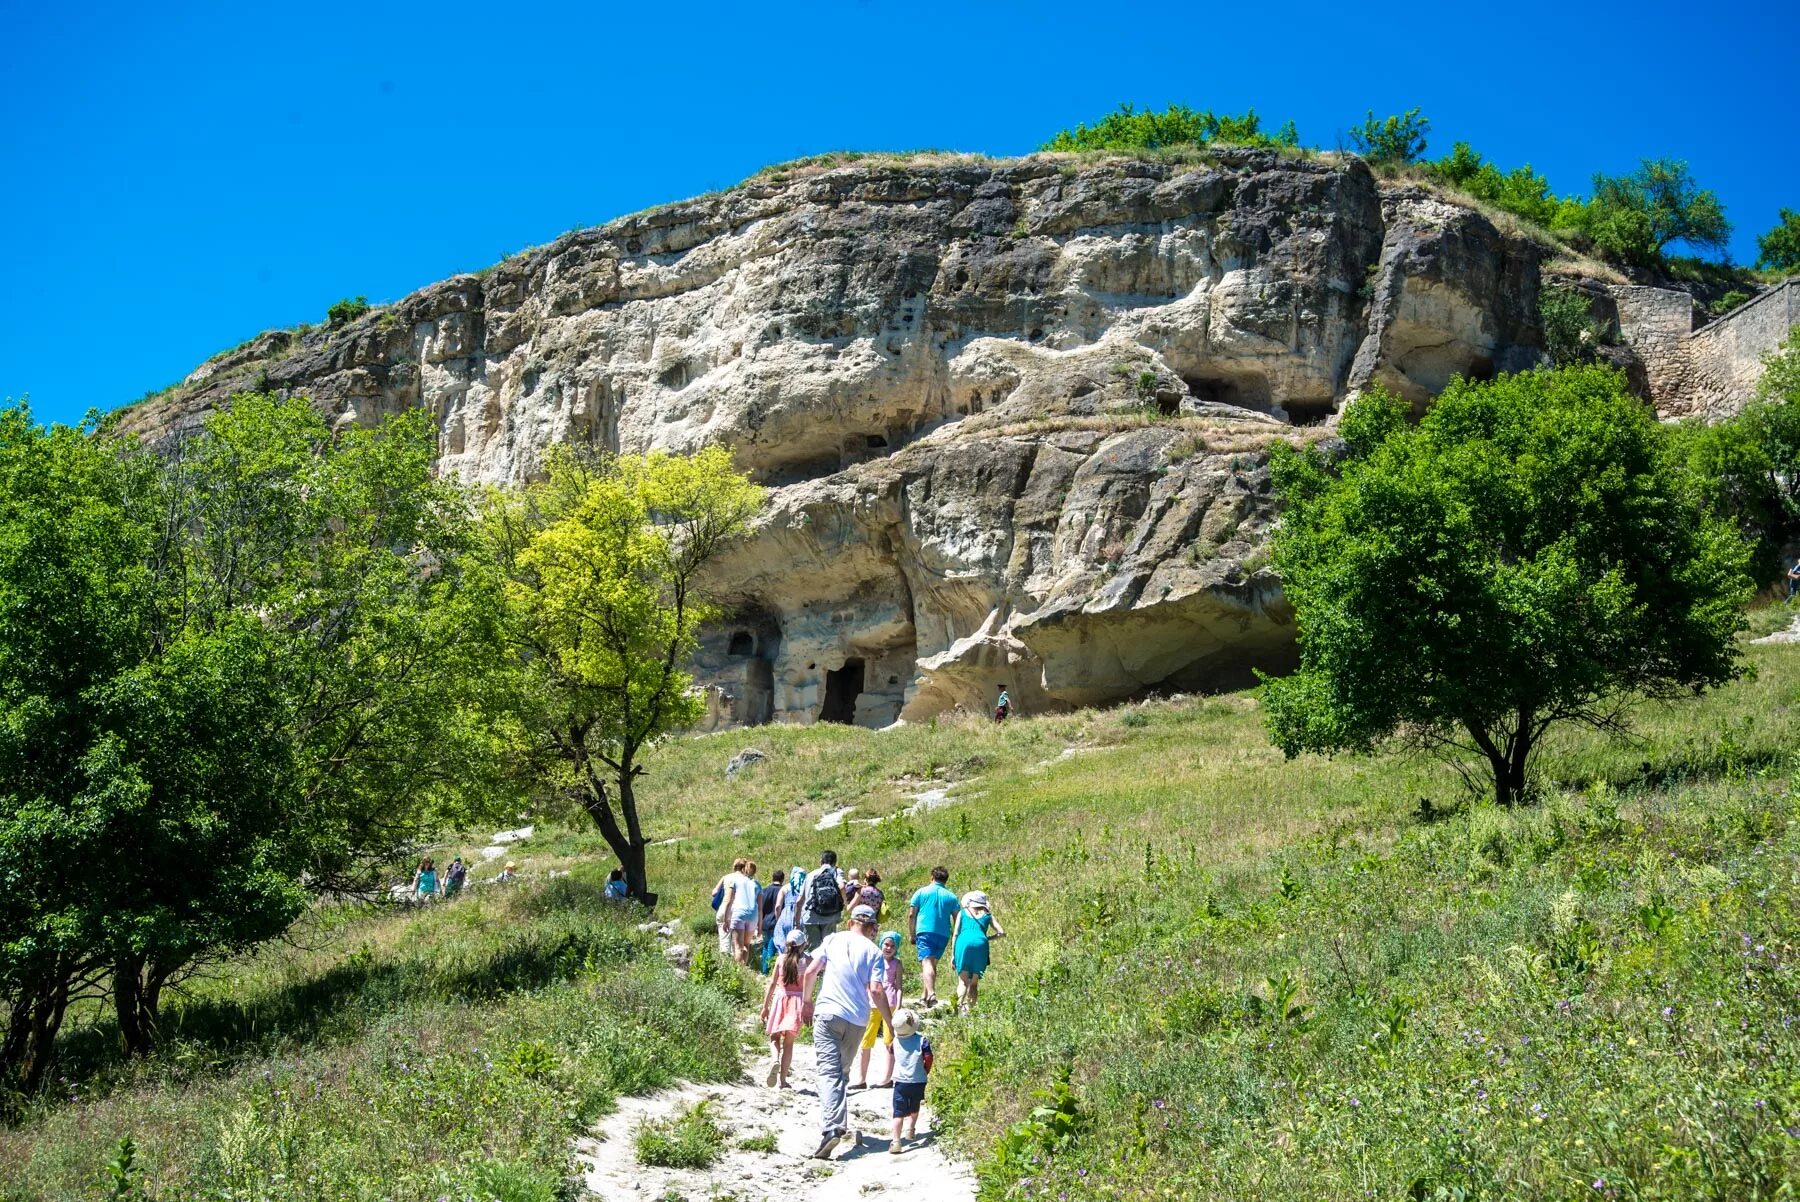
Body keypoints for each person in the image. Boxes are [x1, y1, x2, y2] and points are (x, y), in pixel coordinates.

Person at [802, 903, 893, 1159]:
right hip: (857, 1019)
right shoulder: (874, 951)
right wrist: (889, 1022)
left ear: (850, 921)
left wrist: (806, 1002)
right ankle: (836, 1124)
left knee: (829, 1072)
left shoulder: (832, 939)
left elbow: (810, 971)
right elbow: (876, 990)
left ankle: (832, 1128)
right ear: (872, 927)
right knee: (841, 1072)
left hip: (829, 1012)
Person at [853, 931, 904, 1089]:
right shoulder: (874, 960)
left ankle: (887, 1078)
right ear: (881, 944)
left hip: (891, 1004)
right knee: (866, 1040)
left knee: (890, 1041)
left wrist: (899, 1005)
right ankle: (861, 1078)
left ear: (897, 948)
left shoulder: (897, 964)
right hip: (872, 1004)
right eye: (886, 944)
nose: (889, 948)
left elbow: (899, 987)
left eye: (892, 946)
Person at [760, 929, 809, 1089]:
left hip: (781, 999)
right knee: (789, 1043)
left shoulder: (781, 959)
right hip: (796, 1002)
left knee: (774, 1037)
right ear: (803, 945)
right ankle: (783, 1080)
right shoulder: (806, 961)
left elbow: (772, 983)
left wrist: (765, 1006)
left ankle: (774, 1060)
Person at [907, 866, 959, 1008]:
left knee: (926, 962)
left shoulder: (921, 892)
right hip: (943, 934)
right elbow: (957, 918)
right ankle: (924, 998)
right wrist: (956, 935)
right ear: (945, 880)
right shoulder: (952, 897)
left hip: (925, 931)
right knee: (932, 963)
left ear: (932, 877)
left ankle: (931, 993)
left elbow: (912, 914)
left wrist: (912, 934)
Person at [888, 1008, 933, 1154]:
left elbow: (891, 1054)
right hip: (918, 1079)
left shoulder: (894, 1042)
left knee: (898, 1112)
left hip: (900, 1081)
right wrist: (926, 1069)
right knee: (914, 1106)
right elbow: (928, 1057)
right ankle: (910, 1129)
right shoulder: (922, 1040)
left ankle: (896, 1141)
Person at [951, 889, 1004, 1012]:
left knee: (963, 982)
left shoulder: (963, 913)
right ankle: (970, 1011)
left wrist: (953, 955)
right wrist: (986, 938)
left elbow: (955, 934)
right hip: (981, 945)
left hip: (963, 943)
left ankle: (957, 1010)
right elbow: (1001, 932)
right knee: (974, 983)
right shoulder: (988, 915)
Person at [799, 849, 846, 951]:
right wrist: (844, 903)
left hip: (810, 916)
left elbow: (799, 900)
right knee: (828, 947)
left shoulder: (810, 875)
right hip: (830, 915)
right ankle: (825, 967)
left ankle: (813, 966)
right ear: (835, 862)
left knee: (813, 948)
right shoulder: (836, 872)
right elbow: (841, 886)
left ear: (821, 861)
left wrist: (797, 921)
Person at [713, 858, 751, 960]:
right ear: (744, 867)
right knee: (737, 943)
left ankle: (725, 964)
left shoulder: (726, 877)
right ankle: (737, 965)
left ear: (734, 866)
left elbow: (714, 892)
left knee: (724, 940)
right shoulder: (746, 879)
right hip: (739, 911)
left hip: (724, 909)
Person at [726, 860, 761, 966]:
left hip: (739, 914)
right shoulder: (757, 885)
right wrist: (760, 926)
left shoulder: (736, 881)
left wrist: (725, 920)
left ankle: (738, 972)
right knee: (746, 944)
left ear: (742, 869)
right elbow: (760, 908)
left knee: (737, 946)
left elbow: (729, 901)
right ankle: (744, 967)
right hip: (753, 915)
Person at [771, 866, 806, 962]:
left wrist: (779, 919)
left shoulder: (785, 888)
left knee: (784, 942)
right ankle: (798, 967)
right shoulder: (805, 888)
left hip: (786, 916)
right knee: (799, 944)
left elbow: (778, 906)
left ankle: (784, 965)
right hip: (801, 915)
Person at [756, 868, 787, 972]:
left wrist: (759, 924)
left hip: (765, 923)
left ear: (772, 878)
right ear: (782, 879)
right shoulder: (784, 891)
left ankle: (764, 970)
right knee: (772, 947)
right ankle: (769, 970)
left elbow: (760, 908)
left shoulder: (765, 891)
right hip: (777, 922)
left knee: (765, 946)